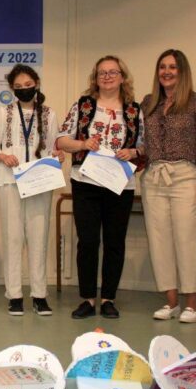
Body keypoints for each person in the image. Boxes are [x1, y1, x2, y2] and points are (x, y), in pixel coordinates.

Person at [56, 55, 144, 319]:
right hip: (86, 182)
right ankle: (87, 299)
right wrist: (83, 144)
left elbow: (146, 145)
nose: (107, 77)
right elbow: (61, 140)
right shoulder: (82, 105)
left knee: (115, 241)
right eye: (102, 72)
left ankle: (108, 299)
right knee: (88, 241)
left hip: (120, 185)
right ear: (95, 78)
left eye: (112, 72)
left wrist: (133, 151)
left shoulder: (134, 110)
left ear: (122, 77)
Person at [140, 49, 196, 323]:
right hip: (154, 177)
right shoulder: (148, 103)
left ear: (182, 71)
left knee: (185, 240)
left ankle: (193, 305)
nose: (166, 72)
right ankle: (171, 302)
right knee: (159, 240)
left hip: (186, 176)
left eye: (172, 67)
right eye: (162, 67)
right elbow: (143, 143)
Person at [0, 64, 63, 316]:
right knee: (12, 238)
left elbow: (53, 147)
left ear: (36, 84)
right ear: (12, 89)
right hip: (10, 180)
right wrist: (2, 156)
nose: (24, 90)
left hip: (39, 181)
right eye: (18, 87)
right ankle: (15, 295)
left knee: (39, 237)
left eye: (28, 85)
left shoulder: (49, 114)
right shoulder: (3, 112)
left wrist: (58, 156)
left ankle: (39, 295)